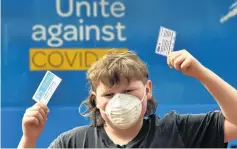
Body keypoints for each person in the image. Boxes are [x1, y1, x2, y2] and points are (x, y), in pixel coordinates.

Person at [18, 50, 237, 148]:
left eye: (129, 91)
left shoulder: (177, 130)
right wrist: (29, 139)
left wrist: (200, 73)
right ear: (95, 100)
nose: (119, 101)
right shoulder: (73, 143)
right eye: (109, 95)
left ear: (147, 90)